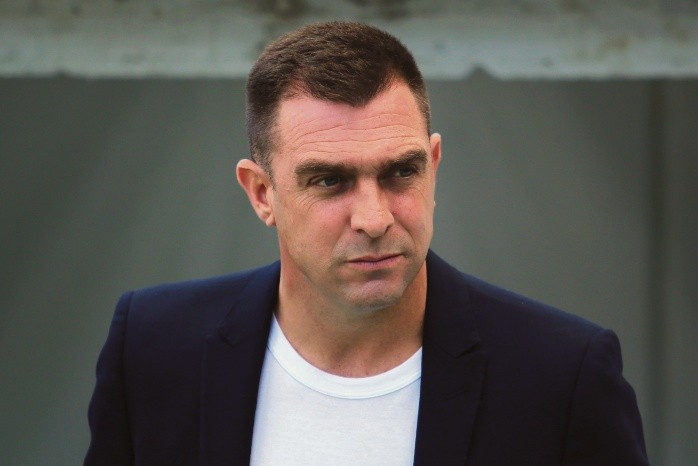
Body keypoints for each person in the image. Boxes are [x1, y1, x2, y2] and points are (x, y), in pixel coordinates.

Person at [85, 21, 649, 465]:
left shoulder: (561, 374)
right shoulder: (154, 348)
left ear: (433, 167)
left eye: (401, 172)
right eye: (329, 180)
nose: (374, 218)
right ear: (262, 194)